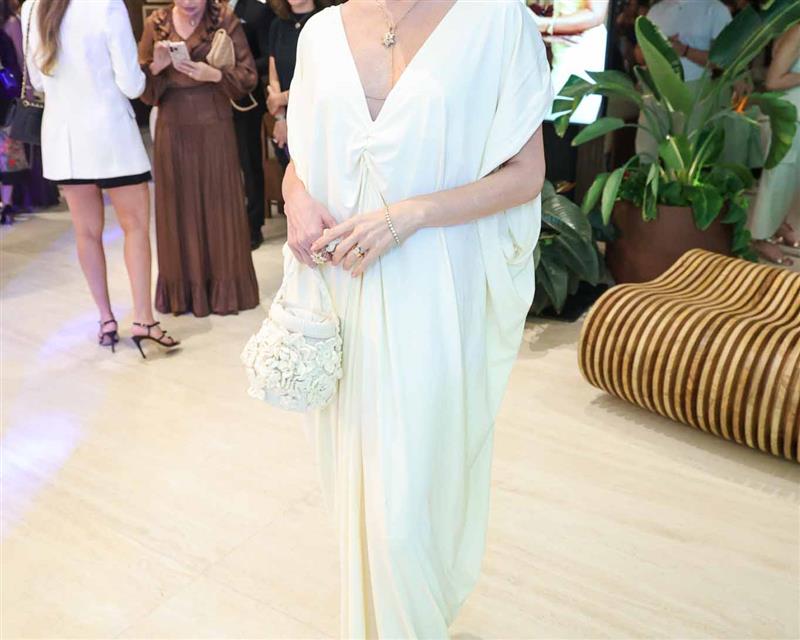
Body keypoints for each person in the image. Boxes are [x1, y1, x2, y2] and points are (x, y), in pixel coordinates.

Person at [276, 0, 552, 635]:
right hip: (341, 295)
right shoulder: (320, 34)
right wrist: (295, 201)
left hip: (433, 293)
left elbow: (525, 174)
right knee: (356, 494)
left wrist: (413, 214)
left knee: (406, 506)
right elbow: (301, 159)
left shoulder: (495, 21)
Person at [21, 0, 179, 356]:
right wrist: (154, 66)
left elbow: (38, 80)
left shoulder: (31, 6)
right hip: (111, 135)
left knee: (86, 233)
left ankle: (106, 320)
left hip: (64, 139)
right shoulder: (106, 4)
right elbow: (131, 84)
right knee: (135, 227)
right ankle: (143, 321)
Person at [139, 0, 260, 317]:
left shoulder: (224, 19)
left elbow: (248, 75)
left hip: (214, 126)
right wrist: (156, 67)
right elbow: (144, 92)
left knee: (220, 204)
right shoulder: (156, 23)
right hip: (172, 128)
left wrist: (215, 75)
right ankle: (183, 294)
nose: (190, 3)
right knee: (177, 208)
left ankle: (225, 291)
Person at [750, 24, 800, 265]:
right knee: (778, 178)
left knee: (791, 180)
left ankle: (779, 224)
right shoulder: (797, 31)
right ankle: (760, 237)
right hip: (787, 117)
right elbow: (773, 80)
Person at [230, 0, 275, 251]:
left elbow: (268, 57)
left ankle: (252, 224)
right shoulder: (206, 10)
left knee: (249, 163)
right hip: (212, 100)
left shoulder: (258, 10)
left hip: (246, 100)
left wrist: (237, 69)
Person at [266, 0, 329, 170]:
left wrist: (283, 98)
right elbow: (274, 77)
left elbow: (324, 79)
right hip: (286, 122)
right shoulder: (277, 25)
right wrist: (281, 119)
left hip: (319, 120)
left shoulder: (327, 22)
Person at [0, 0, 28, 225]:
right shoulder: (5, 33)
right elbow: (17, 65)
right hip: (6, 100)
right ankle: (6, 204)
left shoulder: (6, 31)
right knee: (7, 155)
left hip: (6, 102)